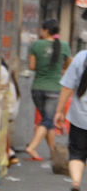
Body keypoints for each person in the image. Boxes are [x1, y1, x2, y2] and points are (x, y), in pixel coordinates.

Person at [24, 19, 72, 161]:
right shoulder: (64, 46)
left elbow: (32, 67)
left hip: (37, 88)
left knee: (47, 120)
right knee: (47, 120)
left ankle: (53, 152)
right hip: (54, 89)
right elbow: (69, 65)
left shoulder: (36, 45)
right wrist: (59, 70)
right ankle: (32, 147)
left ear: (45, 30)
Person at [53, 47, 87, 191]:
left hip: (80, 117)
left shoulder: (81, 57)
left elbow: (67, 87)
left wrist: (59, 111)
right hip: (79, 117)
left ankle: (75, 184)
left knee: (77, 154)